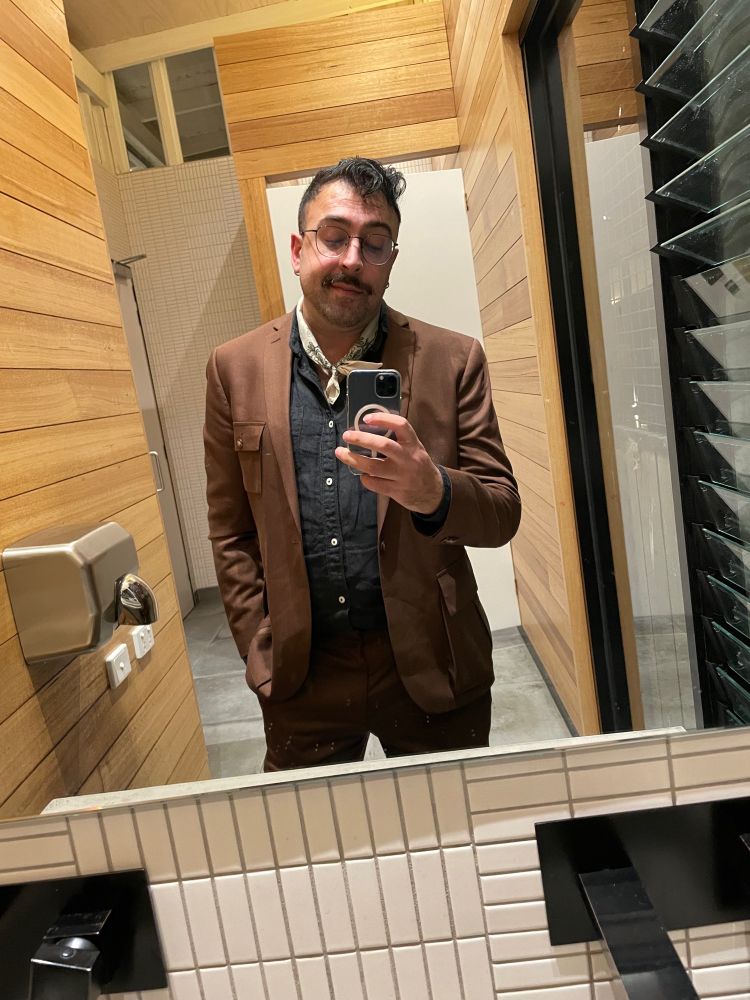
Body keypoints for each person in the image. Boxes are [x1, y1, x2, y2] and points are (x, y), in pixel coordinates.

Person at [204, 157, 521, 770]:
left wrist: (435, 493)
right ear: (298, 249)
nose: (353, 258)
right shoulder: (232, 368)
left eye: (375, 242)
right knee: (319, 852)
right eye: (334, 235)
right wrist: (258, 646)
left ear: (391, 260)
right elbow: (231, 529)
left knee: (451, 837)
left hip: (433, 661)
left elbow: (501, 513)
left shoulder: (453, 360)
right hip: (302, 673)